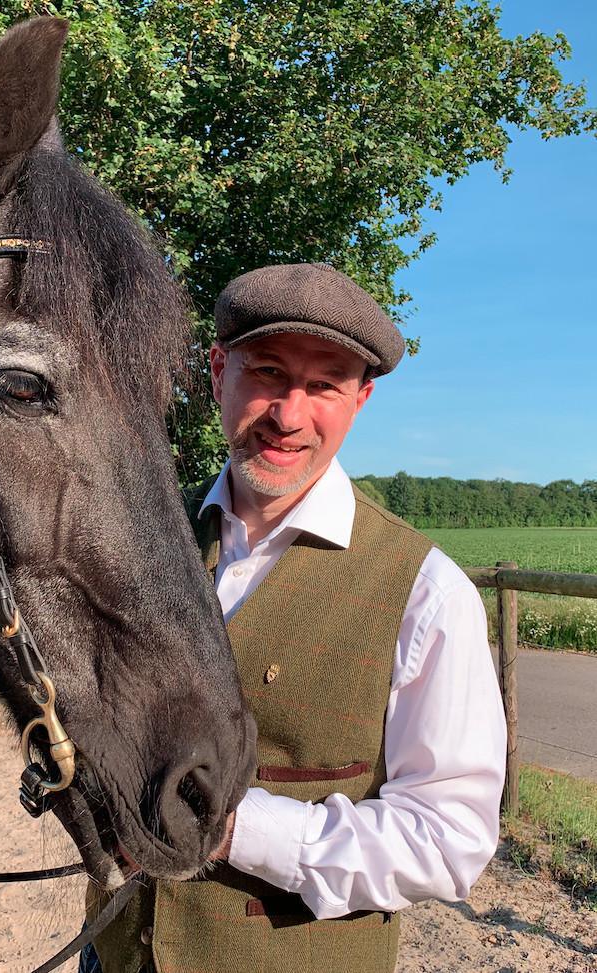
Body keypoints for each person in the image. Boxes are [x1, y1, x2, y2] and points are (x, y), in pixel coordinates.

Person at [82, 262, 506, 973]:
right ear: (219, 372)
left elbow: (450, 833)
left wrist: (233, 828)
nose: (288, 413)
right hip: (113, 951)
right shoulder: (136, 533)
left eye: (324, 385)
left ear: (360, 399)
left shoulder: (428, 592)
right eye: (269, 372)